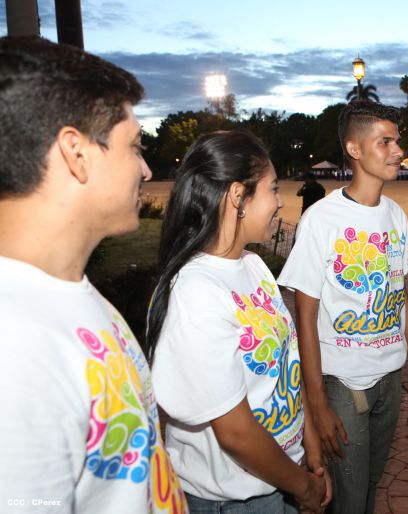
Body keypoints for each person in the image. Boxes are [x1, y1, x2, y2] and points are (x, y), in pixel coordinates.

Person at [0, 36, 187, 512]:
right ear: (76, 153)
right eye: (135, 147)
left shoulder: (69, 294)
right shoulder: (16, 353)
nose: (145, 170)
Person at [145, 131, 329, 513]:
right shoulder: (196, 290)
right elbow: (236, 433)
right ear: (237, 197)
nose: (280, 202)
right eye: (272, 189)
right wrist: (305, 490)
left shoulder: (253, 264)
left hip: (283, 475)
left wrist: (309, 445)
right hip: (237, 500)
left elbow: (285, 365)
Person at [277, 100, 408, 514]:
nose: (398, 151)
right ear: (355, 149)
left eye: (397, 141)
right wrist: (317, 405)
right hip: (343, 383)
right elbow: (303, 318)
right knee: (348, 495)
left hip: (389, 375)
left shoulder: (395, 215)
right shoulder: (321, 220)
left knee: (370, 485)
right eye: (385, 142)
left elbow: (398, 296)